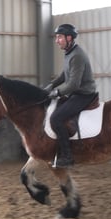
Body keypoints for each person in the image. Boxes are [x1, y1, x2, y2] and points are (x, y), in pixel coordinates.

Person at [44, 23, 97, 168]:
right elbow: (64, 75)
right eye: (56, 37)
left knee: (56, 118)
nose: (57, 41)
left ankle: (67, 157)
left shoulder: (77, 56)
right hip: (76, 93)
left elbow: (73, 84)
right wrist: (51, 85)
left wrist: (56, 92)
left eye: (59, 37)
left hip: (84, 94)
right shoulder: (69, 53)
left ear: (69, 38)